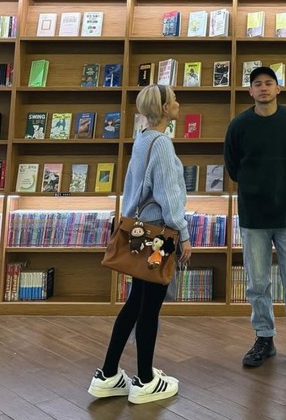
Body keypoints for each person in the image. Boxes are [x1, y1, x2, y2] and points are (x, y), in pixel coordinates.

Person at [88, 84, 192, 405]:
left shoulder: (143, 139)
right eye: (173, 99)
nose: (177, 103)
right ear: (163, 109)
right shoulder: (161, 144)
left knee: (136, 302)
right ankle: (145, 379)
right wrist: (184, 235)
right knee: (150, 308)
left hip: (138, 233)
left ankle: (108, 373)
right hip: (159, 235)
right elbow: (168, 196)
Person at [223, 66, 286, 375]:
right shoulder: (239, 125)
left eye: (269, 83)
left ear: (278, 88)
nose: (264, 88)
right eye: (257, 84)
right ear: (250, 91)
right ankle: (264, 338)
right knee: (257, 283)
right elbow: (233, 168)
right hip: (253, 216)